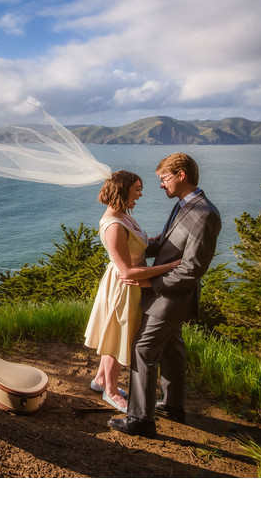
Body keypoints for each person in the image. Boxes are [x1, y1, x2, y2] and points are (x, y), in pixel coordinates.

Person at [108, 153, 221, 437]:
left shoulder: (204, 213)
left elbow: (193, 268)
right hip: (170, 296)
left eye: (164, 178)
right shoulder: (185, 205)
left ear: (181, 175)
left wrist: (152, 285)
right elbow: (167, 242)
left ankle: (140, 420)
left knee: (143, 349)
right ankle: (172, 406)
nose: (160, 185)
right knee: (172, 350)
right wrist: (133, 246)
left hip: (171, 297)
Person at [84, 171, 181, 413]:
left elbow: (139, 246)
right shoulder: (113, 225)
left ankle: (100, 380)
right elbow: (127, 270)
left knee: (114, 334)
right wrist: (170, 267)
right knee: (118, 338)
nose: (140, 193)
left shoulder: (124, 217)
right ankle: (112, 391)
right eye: (136, 189)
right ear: (123, 190)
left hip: (132, 285)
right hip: (124, 286)